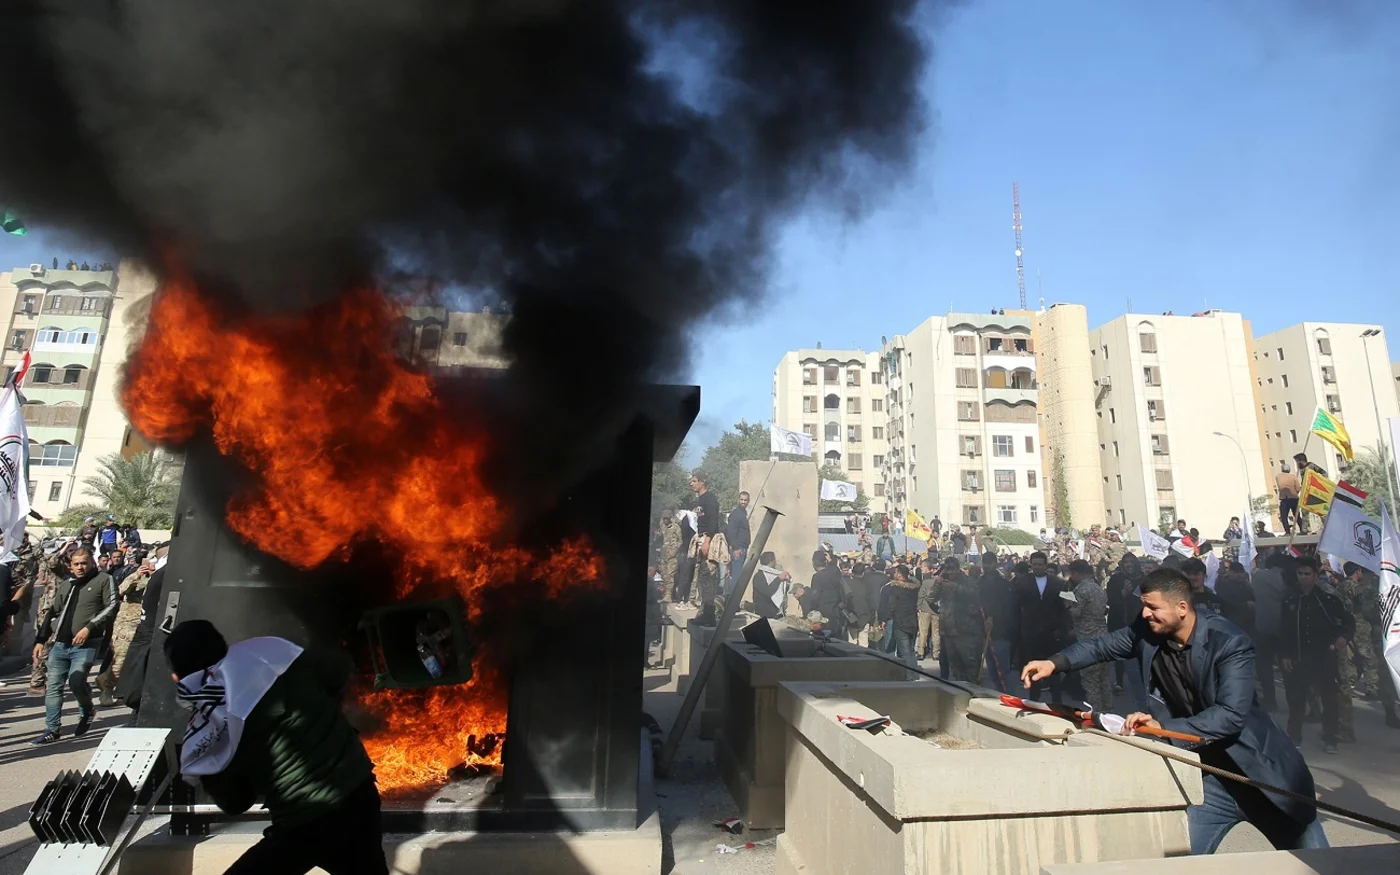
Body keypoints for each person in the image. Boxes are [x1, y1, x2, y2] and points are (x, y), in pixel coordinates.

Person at [1021, 567, 1328, 854]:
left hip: (1260, 777)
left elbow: (1231, 715)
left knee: (1320, 865)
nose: (1145, 613)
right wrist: (1055, 662)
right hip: (1208, 781)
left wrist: (1164, 730)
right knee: (1179, 860)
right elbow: (1102, 646)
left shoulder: (1229, 642)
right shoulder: (1147, 631)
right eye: (1144, 605)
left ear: (1181, 608)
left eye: (1152, 607)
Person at [165, 620, 389, 875]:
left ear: (178, 677)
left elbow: (236, 802)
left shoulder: (212, 723)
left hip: (307, 820)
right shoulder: (273, 654)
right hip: (359, 790)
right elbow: (336, 673)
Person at [30, 547, 117, 744]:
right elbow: (52, 612)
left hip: (86, 644)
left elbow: (111, 606)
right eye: (76, 564)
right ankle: (52, 729)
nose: (80, 567)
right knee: (53, 686)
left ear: (92, 563)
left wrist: (89, 627)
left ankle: (87, 711)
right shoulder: (67, 585)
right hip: (60, 645)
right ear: (70, 565)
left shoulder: (103, 580)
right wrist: (40, 640)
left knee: (76, 680)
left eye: (84, 563)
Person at [1280, 556, 1352, 753]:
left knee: (1329, 698)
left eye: (1307, 574)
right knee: (1297, 699)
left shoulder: (1327, 597)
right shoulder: (1290, 598)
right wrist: (1285, 654)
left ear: (1315, 575)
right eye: (1300, 574)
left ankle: (1330, 738)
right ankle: (1294, 736)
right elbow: (1284, 629)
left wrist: (1343, 639)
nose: (1303, 578)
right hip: (1300, 656)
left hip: (1324, 656)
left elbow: (1347, 622)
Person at [1013, 551, 1075, 701]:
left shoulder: (1059, 583)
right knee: (1033, 669)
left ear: (1046, 565)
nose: (1037, 567)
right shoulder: (1022, 582)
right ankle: (1033, 700)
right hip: (1030, 634)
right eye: (1034, 564)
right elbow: (1014, 607)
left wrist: (1062, 630)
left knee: (1053, 669)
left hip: (1052, 634)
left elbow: (1066, 608)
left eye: (1040, 564)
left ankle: (1057, 703)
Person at [926, 558, 984, 683]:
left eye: (953, 570)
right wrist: (938, 584)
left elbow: (975, 594)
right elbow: (930, 599)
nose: (950, 573)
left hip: (965, 630)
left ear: (958, 569)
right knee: (956, 667)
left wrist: (955, 587)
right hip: (948, 630)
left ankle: (973, 690)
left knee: (970, 665)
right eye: (948, 570)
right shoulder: (943, 582)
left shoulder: (967, 581)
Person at [1065, 559, 1111, 711]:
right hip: (1103, 636)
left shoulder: (1081, 590)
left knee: (1090, 681)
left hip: (1087, 639)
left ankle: (1096, 715)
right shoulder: (1099, 588)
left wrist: (1066, 604)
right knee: (1104, 679)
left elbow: (1076, 612)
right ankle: (1109, 711)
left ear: (1076, 573)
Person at [1251, 552, 1288, 712]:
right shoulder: (1289, 578)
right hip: (1285, 627)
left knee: (1264, 666)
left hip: (1263, 627)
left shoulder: (1258, 578)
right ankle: (1295, 701)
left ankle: (1270, 699)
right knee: (1287, 665)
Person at [979, 552, 1019, 692]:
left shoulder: (1003, 584)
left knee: (1003, 672)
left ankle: (1010, 699)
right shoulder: (979, 582)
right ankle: (998, 697)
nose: (986, 566)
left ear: (995, 564)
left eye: (989, 562)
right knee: (992, 672)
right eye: (984, 562)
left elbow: (1007, 607)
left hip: (1000, 632)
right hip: (983, 632)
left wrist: (993, 617)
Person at [688, 471, 722, 624]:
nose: (692, 484)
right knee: (702, 579)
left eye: (694, 481)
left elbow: (713, 522)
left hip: (710, 540)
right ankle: (705, 613)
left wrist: (707, 540)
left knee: (708, 578)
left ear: (702, 482)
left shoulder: (710, 498)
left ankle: (709, 616)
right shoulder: (700, 499)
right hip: (702, 538)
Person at [876, 564, 920, 676]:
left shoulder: (893, 588)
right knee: (909, 650)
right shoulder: (914, 588)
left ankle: (901, 673)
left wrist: (884, 619)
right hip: (912, 621)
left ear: (899, 574)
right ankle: (912, 673)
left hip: (899, 621)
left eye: (896, 572)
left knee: (895, 649)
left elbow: (891, 605)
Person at [807, 550, 845, 632]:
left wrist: (810, 611)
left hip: (822, 615)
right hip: (835, 613)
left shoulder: (817, 577)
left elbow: (815, 597)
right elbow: (835, 568)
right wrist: (831, 561)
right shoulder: (835, 573)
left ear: (813, 563)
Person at [748, 551, 790, 620]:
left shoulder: (773, 574)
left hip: (775, 613)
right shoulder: (759, 576)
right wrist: (779, 579)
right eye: (775, 560)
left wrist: (786, 582)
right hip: (764, 614)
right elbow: (767, 591)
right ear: (772, 561)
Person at [725, 492, 751, 594]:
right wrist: (736, 548)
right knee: (736, 577)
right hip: (738, 549)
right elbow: (731, 532)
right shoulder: (736, 514)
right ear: (738, 500)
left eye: (745, 500)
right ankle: (731, 603)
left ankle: (733, 602)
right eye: (741, 500)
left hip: (742, 548)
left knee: (737, 577)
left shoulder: (743, 514)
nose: (743, 502)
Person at [915, 557, 941, 661]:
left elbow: (921, 595)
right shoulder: (939, 583)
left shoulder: (926, 582)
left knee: (923, 632)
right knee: (936, 633)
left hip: (925, 609)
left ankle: (921, 652)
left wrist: (919, 607)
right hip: (936, 611)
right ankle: (936, 653)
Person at [658, 512, 680, 602]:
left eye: (667, 518)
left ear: (670, 518)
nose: (665, 520)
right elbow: (662, 538)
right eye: (664, 518)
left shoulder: (676, 527)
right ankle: (665, 594)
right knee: (664, 575)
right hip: (664, 555)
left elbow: (680, 540)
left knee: (670, 575)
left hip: (672, 556)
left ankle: (669, 596)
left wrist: (675, 550)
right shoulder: (662, 527)